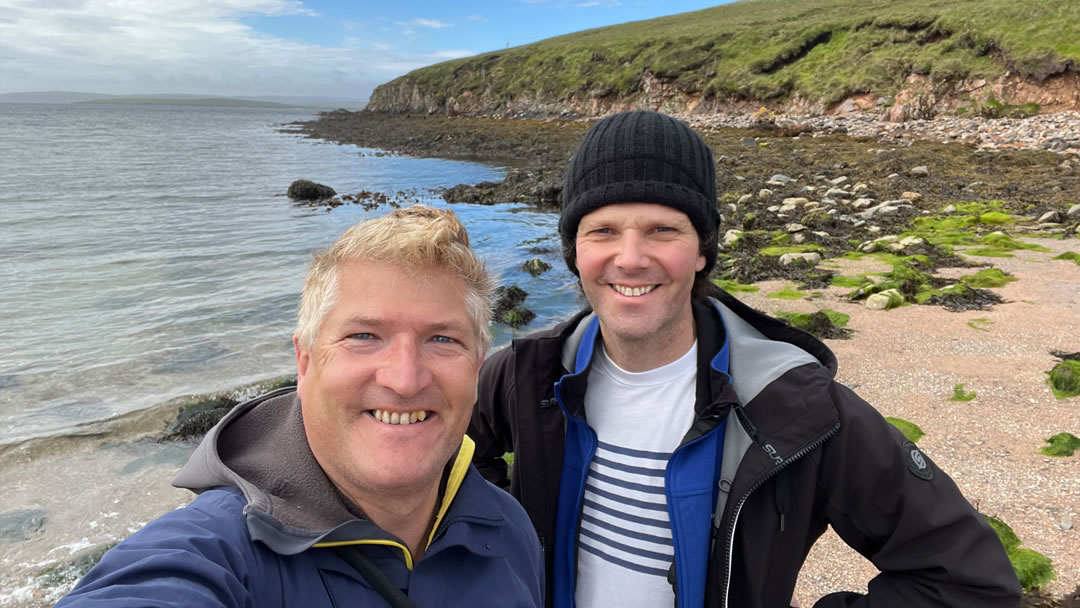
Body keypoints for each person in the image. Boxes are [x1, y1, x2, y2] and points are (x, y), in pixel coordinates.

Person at [468, 110, 1021, 608]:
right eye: (602, 231)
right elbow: (442, 468)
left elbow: (966, 582)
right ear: (574, 251)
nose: (630, 259)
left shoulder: (794, 407)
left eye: (663, 229)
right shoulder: (524, 373)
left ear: (703, 248)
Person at [58, 206, 544, 607]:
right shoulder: (220, 553)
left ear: (478, 364)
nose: (403, 378)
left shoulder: (509, 528)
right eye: (363, 336)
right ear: (305, 362)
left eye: (442, 338)